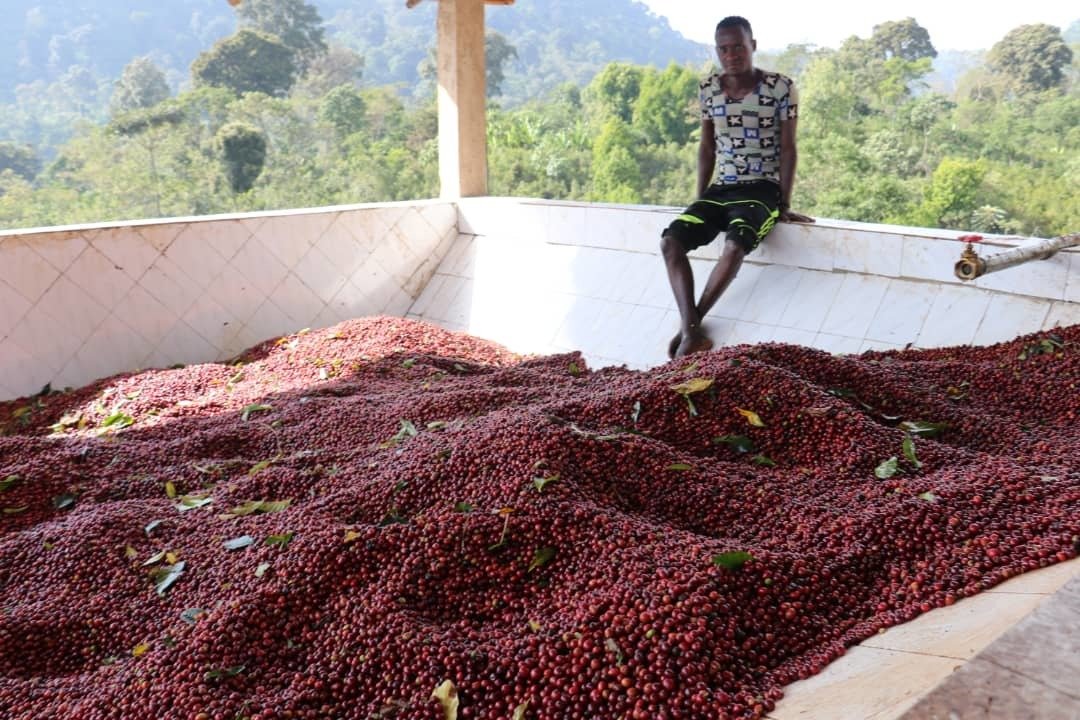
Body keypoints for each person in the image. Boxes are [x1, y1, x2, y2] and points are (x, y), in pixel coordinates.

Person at [661, 15, 813, 359]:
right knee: (671, 241)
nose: (731, 55)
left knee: (734, 245)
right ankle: (691, 329)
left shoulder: (780, 87)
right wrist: (700, 198)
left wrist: (784, 203)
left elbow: (788, 149)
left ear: (752, 46)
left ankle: (690, 329)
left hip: (762, 189)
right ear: (717, 51)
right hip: (721, 189)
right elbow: (707, 147)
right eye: (724, 49)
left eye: (739, 47)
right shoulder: (708, 89)